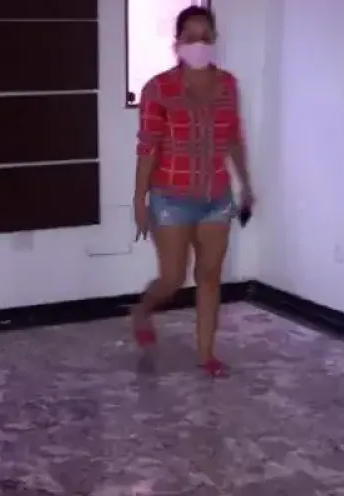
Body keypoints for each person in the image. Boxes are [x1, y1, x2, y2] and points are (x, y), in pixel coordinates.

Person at [130, 5, 253, 377]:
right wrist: (139, 200)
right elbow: (148, 147)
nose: (199, 44)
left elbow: (233, 138)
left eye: (205, 36)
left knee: (210, 276)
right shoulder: (158, 88)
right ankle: (142, 310)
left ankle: (206, 355)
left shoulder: (228, 85)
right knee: (172, 279)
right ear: (177, 43)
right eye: (191, 37)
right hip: (171, 199)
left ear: (214, 40)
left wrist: (246, 185)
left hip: (216, 198)